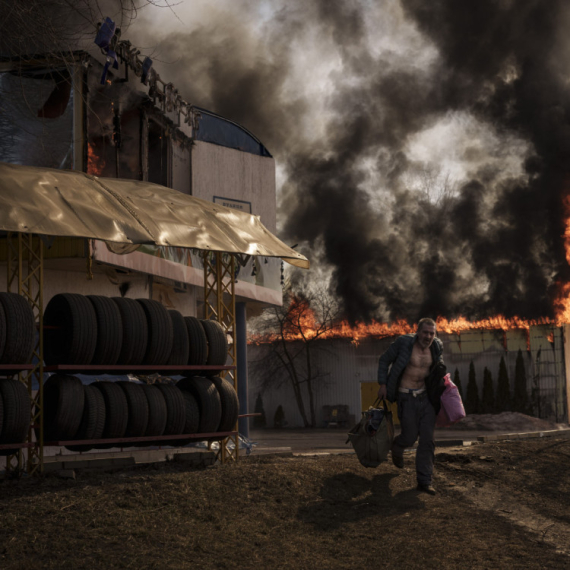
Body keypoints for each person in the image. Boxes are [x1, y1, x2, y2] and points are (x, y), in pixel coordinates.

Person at [377, 318, 444, 495]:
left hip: (426, 398)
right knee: (409, 436)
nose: (428, 336)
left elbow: (438, 368)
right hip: (406, 397)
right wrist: (383, 384)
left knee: (428, 440)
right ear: (418, 331)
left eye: (432, 333)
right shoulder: (403, 343)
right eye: (425, 332)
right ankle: (397, 447)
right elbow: (384, 360)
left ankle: (424, 481)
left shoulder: (436, 346)